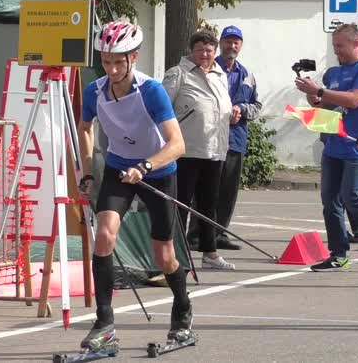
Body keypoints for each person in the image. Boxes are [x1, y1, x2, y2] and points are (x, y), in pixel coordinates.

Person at [77, 21, 193, 352]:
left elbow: (177, 144)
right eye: (106, 60)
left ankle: (183, 311)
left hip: (157, 171)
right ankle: (104, 322)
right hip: (117, 168)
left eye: (119, 61)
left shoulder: (151, 90)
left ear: (134, 58)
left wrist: (145, 166)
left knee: (164, 254)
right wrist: (87, 172)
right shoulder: (94, 91)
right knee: (104, 235)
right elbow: (84, 128)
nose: (112, 69)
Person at [294, 23, 358, 272]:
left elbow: (357, 99)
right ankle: (338, 253)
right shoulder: (333, 73)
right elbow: (320, 103)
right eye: (335, 46)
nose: (337, 51)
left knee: (351, 195)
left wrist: (321, 91)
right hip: (333, 144)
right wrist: (311, 92)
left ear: (356, 43)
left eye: (341, 46)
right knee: (330, 200)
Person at [162, 29, 235, 270]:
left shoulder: (220, 74)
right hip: (186, 149)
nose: (205, 54)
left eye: (209, 50)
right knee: (182, 202)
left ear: (215, 51)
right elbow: (161, 109)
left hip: (215, 149)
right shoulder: (178, 74)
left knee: (209, 203)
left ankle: (210, 253)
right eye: (200, 49)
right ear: (191, 51)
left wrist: (232, 112)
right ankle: (178, 254)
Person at [214, 25, 261, 250]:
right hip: (209, 139)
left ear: (240, 46)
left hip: (236, 139)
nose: (231, 46)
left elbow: (257, 106)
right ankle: (197, 234)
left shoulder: (247, 75)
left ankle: (220, 233)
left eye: (236, 42)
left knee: (228, 191)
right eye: (228, 41)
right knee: (207, 188)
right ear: (220, 42)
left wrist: (241, 109)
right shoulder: (208, 68)